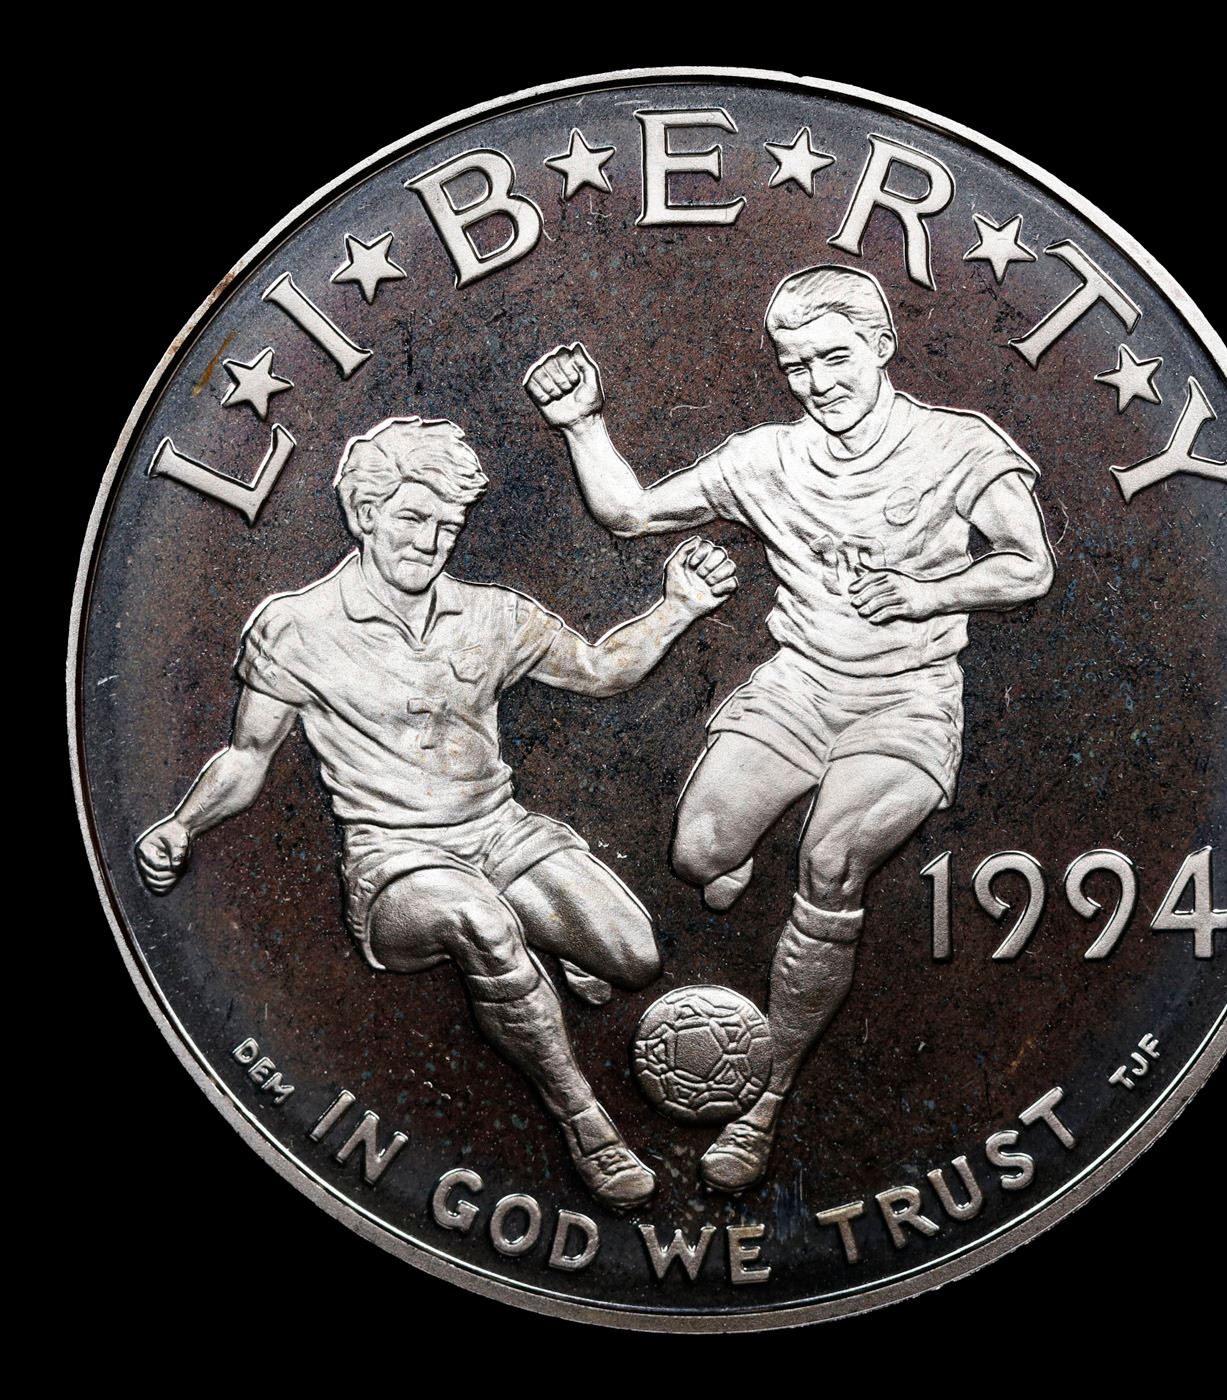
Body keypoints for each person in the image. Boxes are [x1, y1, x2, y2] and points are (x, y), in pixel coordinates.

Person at [525, 265, 1055, 1192]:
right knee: (697, 856)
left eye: (834, 358)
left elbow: (1027, 566)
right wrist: (580, 422)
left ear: (881, 345)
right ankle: (735, 855)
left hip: (905, 700)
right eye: (796, 365)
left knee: (830, 863)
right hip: (798, 687)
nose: (816, 382)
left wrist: (925, 593)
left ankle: (765, 1105)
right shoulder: (767, 459)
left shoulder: (958, 447)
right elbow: (630, 512)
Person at [135, 415, 736, 1209]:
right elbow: (247, 757)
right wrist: (182, 824)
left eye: (447, 526)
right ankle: (584, 1122)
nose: (430, 541)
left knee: (635, 958)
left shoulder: (492, 615)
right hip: (397, 864)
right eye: (413, 518)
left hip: (501, 833)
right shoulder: (296, 629)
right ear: (364, 513)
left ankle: (554, 944)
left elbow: (598, 670)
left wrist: (678, 606)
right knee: (481, 923)